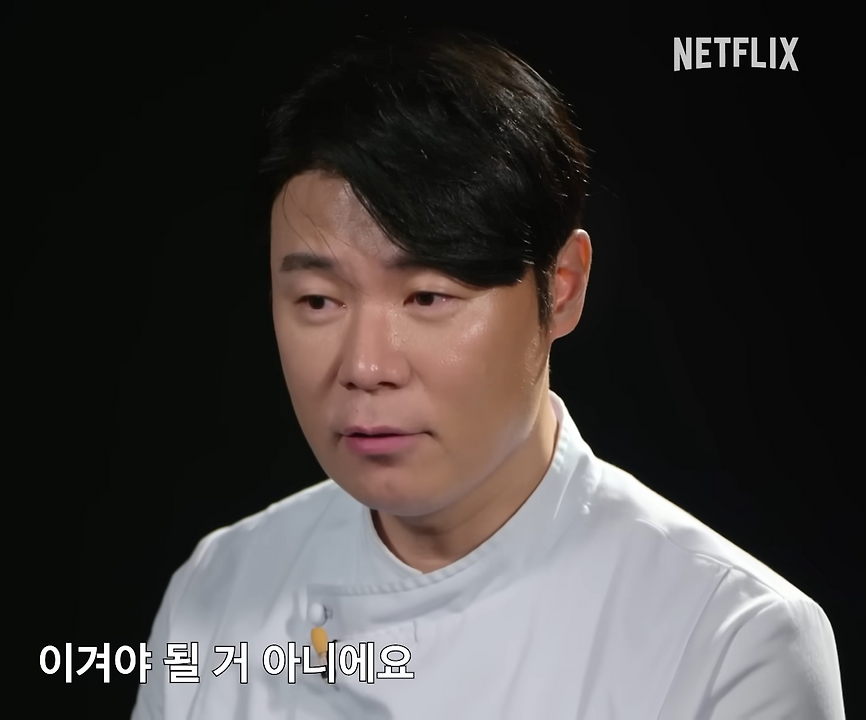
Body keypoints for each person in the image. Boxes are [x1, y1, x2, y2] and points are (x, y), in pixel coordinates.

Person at [130, 28, 843, 719]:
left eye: (428, 297)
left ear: (562, 287)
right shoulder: (219, 590)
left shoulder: (728, 639)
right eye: (319, 301)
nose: (367, 367)